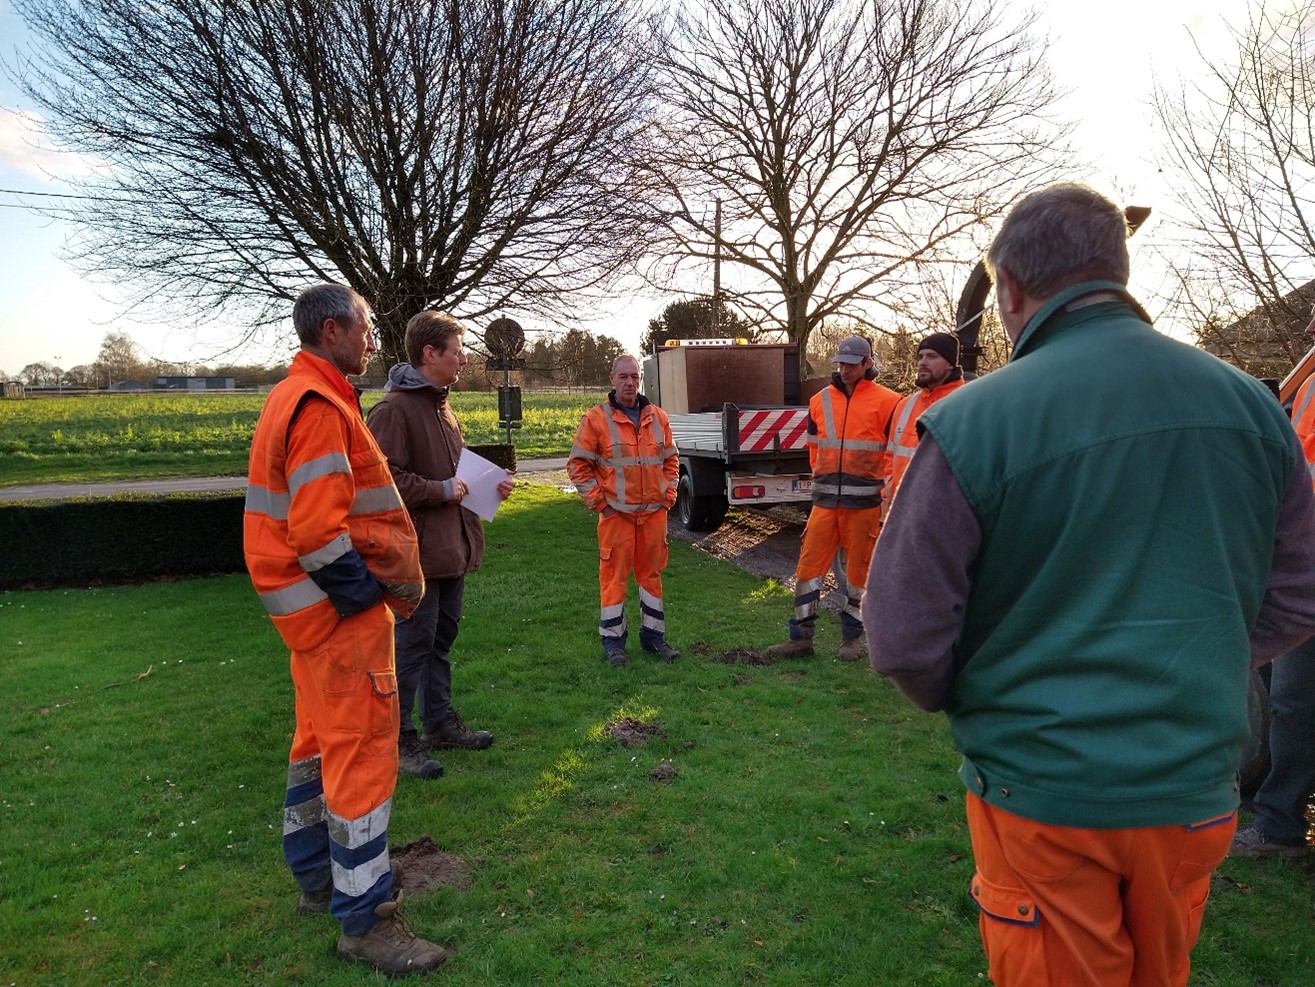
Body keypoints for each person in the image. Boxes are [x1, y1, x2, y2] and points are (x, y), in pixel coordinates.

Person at [862, 183, 1315, 987]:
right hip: (1193, 788)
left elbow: (901, 635)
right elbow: (1299, 590)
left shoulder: (975, 419)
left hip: (1044, 794)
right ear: (1117, 267)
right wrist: (1203, 660)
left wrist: (977, 690)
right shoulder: (1253, 406)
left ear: (1007, 287)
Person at [244, 284, 448, 976]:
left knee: (316, 747)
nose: (371, 339)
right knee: (361, 756)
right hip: (338, 619)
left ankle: (315, 879)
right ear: (331, 330)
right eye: (362, 328)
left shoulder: (293, 395)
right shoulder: (320, 405)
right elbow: (315, 531)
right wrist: (364, 597)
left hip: (309, 620)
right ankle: (365, 921)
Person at [367, 311, 514, 780]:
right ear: (429, 354)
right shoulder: (393, 410)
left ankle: (439, 724)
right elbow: (381, 480)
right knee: (412, 647)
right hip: (417, 556)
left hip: (451, 550)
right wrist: (441, 490)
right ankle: (399, 739)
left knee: (441, 640)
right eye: (456, 350)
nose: (464, 358)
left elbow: (457, 474)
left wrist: (488, 486)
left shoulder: (442, 406)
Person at [1230, 305, 1315, 860]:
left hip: (1304, 565)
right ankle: (1271, 807)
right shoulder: (1307, 376)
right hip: (1296, 559)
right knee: (1286, 695)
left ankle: (1280, 824)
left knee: (1293, 697)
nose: (1309, 327)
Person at [764, 337, 899, 661]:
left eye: (852, 364)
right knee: (808, 569)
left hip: (864, 505)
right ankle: (800, 638)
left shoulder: (891, 402)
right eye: (841, 363)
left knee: (858, 576)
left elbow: (893, 451)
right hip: (825, 503)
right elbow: (813, 447)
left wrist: (883, 492)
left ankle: (851, 640)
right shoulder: (819, 400)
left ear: (868, 363)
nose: (845, 369)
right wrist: (822, 478)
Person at [568, 354, 681, 665]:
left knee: (652, 577)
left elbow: (672, 460)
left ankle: (654, 638)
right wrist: (599, 502)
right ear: (612, 378)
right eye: (624, 377)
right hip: (616, 514)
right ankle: (613, 645)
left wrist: (669, 494)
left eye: (635, 376)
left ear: (640, 378)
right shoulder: (596, 419)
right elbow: (578, 464)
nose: (630, 382)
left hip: (653, 515)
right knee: (614, 578)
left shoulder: (658, 417)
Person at [881, 332, 965, 513]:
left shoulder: (969, 403)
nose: (922, 362)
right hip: (903, 511)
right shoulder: (905, 405)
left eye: (932, 356)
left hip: (947, 516)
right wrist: (890, 488)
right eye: (920, 356)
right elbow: (891, 455)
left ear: (950, 363)